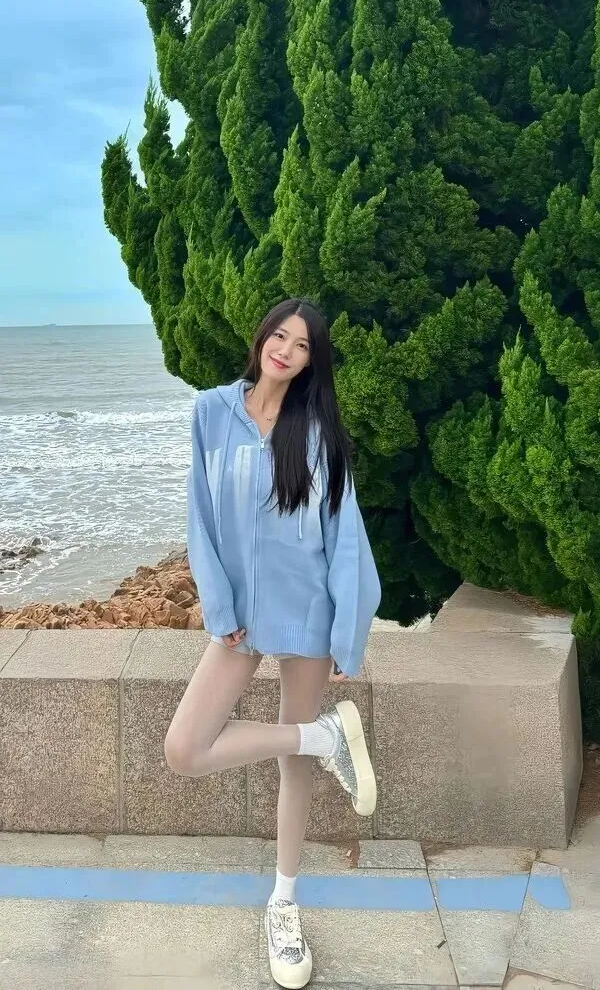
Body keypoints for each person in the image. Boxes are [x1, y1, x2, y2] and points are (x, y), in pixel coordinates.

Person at [164, 297, 382, 989]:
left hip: (309, 613)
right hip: (239, 620)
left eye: (302, 344)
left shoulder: (318, 435)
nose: (285, 349)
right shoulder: (211, 412)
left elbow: (345, 539)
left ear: (312, 362)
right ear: (261, 338)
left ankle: (284, 905)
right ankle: (323, 737)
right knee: (184, 748)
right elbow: (200, 516)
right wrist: (218, 605)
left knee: (294, 771)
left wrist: (347, 634)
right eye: (279, 335)